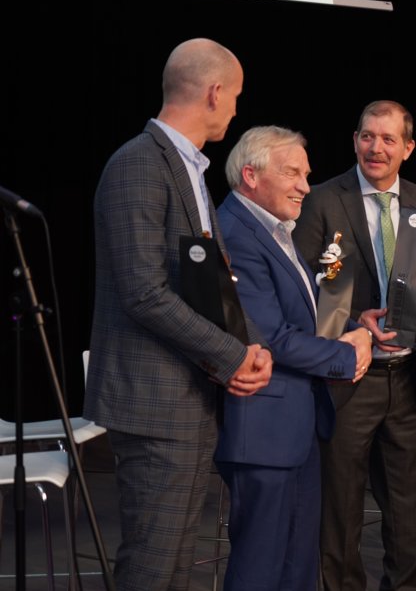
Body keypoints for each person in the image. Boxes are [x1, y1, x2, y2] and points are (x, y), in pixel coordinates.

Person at [85, 38, 273, 591]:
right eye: (235, 96)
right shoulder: (139, 164)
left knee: (174, 569)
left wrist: (248, 346)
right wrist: (232, 355)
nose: (235, 109)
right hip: (154, 403)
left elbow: (207, 285)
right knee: (151, 567)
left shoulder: (188, 167)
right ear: (214, 93)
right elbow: (144, 292)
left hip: (188, 399)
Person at [293, 100, 416, 591]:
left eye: (388, 139)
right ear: (354, 140)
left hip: (406, 377)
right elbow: (302, 289)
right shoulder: (323, 200)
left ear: (408, 147)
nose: (376, 148)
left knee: (408, 509)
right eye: (367, 136)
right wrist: (350, 323)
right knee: (340, 507)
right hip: (348, 376)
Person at [215, 126, 374, 590]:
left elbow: (308, 314)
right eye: (293, 174)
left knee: (298, 569)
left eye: (306, 175)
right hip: (263, 431)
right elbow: (272, 338)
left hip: (295, 427)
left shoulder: (273, 228)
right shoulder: (236, 233)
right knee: (261, 568)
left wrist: (357, 328)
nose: (306, 186)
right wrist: (348, 355)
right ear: (251, 175)